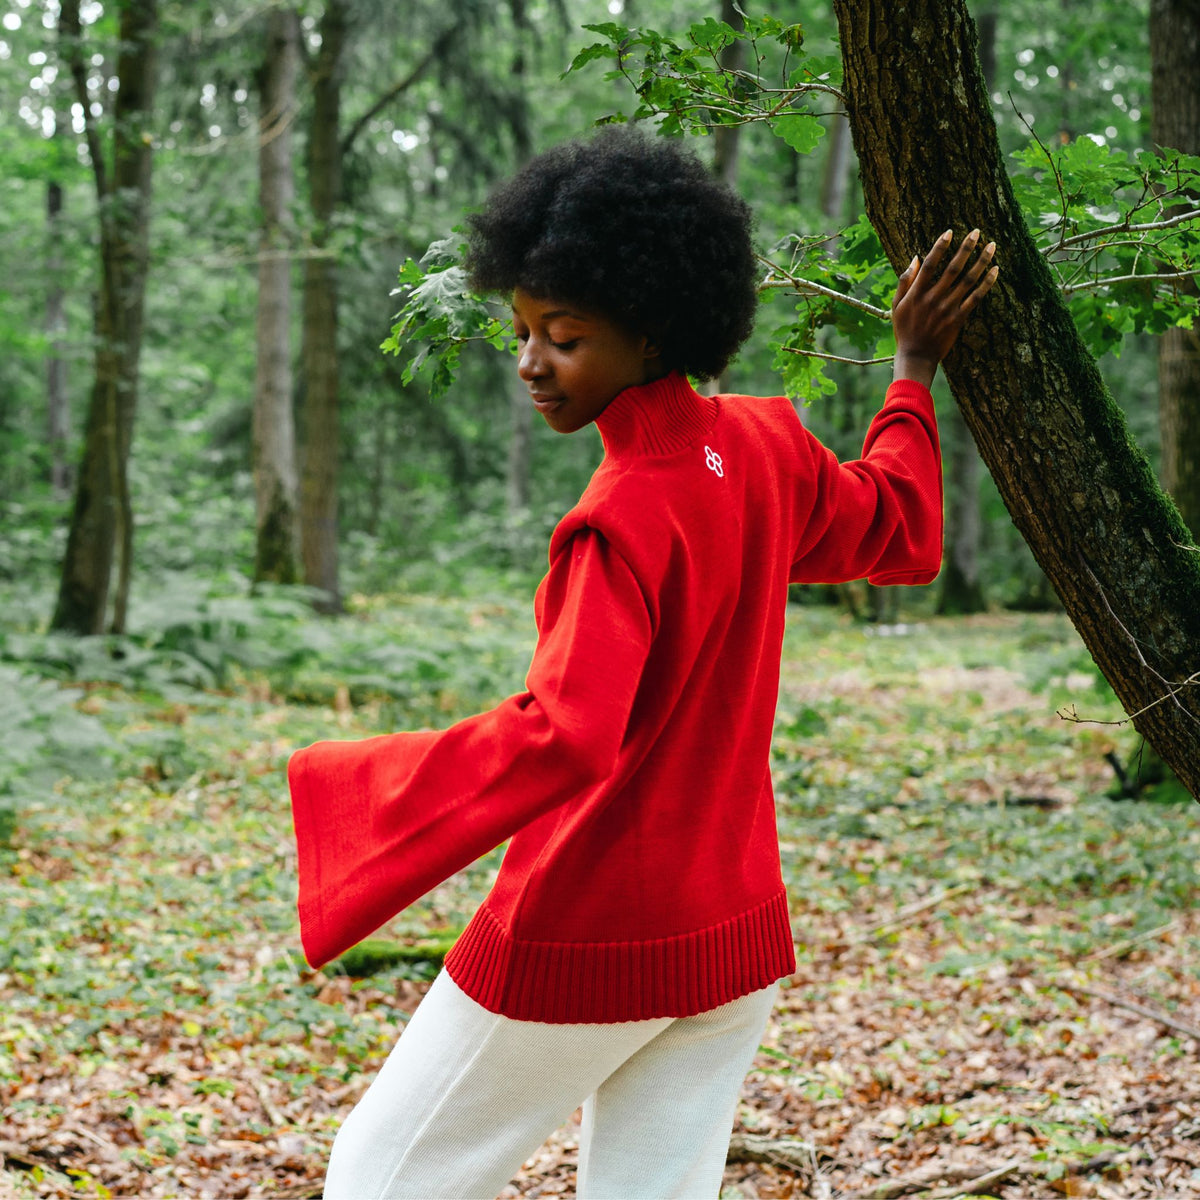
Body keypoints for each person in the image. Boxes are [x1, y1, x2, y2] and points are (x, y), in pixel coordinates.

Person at [288, 127, 998, 1200]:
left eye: (563, 336)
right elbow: (897, 524)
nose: (529, 362)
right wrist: (913, 369)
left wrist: (352, 788)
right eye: (522, 330)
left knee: (379, 1178)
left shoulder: (614, 523)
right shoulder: (762, 448)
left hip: (589, 930)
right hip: (731, 935)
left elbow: (565, 731)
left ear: (654, 331)